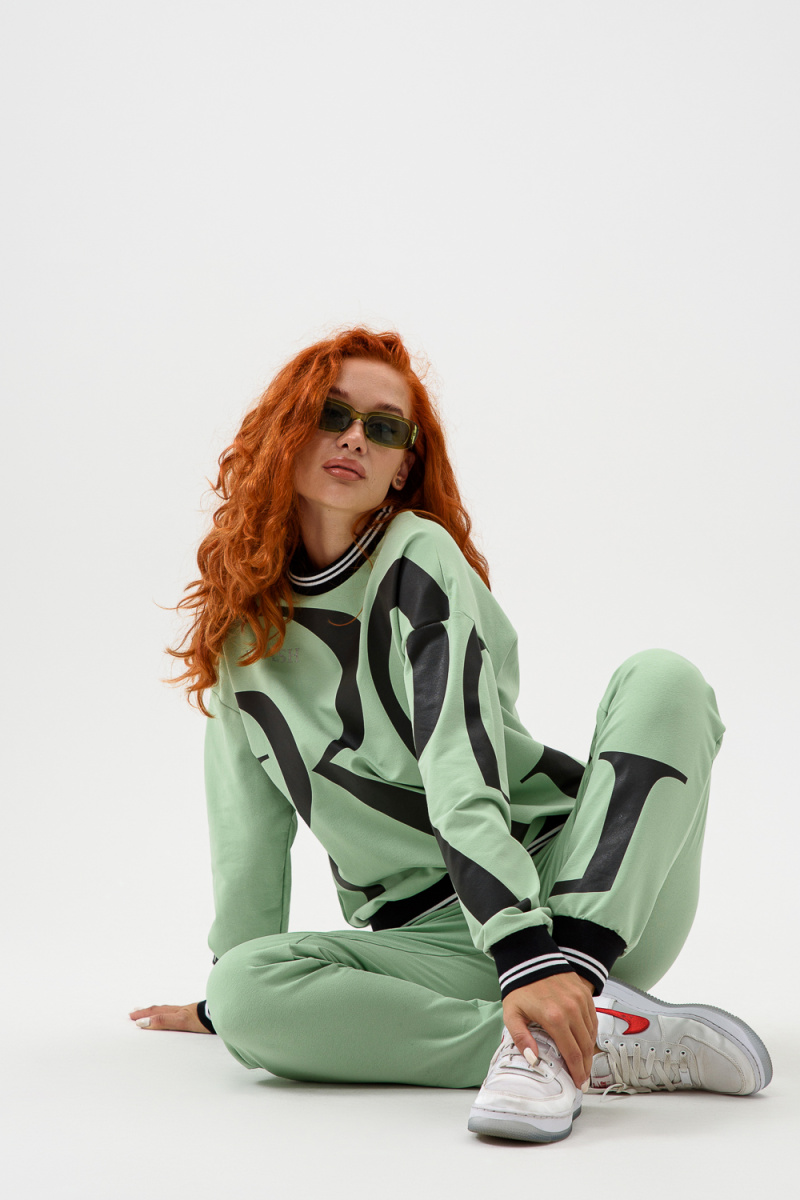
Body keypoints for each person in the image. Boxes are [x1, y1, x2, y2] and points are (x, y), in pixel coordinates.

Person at [129, 326, 772, 1143]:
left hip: (583, 891)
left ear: (403, 467)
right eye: (331, 414)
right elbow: (245, 835)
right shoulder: (241, 640)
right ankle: (589, 1041)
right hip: (433, 944)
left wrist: (530, 952)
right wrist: (229, 993)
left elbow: (458, 766)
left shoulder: (415, 555)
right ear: (286, 431)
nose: (355, 438)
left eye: (383, 427)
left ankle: (567, 992)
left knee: (664, 678)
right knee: (248, 995)